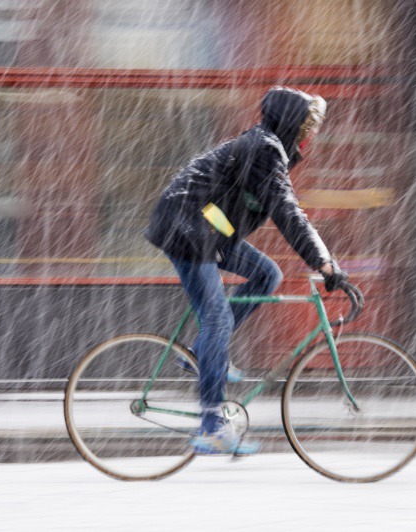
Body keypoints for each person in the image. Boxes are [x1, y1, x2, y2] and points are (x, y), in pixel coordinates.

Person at [145, 86, 348, 455]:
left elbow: (279, 205)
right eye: (310, 124)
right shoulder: (265, 150)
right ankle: (211, 426)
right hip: (185, 228)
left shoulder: (270, 148)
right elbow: (287, 211)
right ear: (294, 124)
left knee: (267, 275)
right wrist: (322, 260)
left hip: (207, 229)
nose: (313, 133)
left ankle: (202, 351)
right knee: (218, 319)